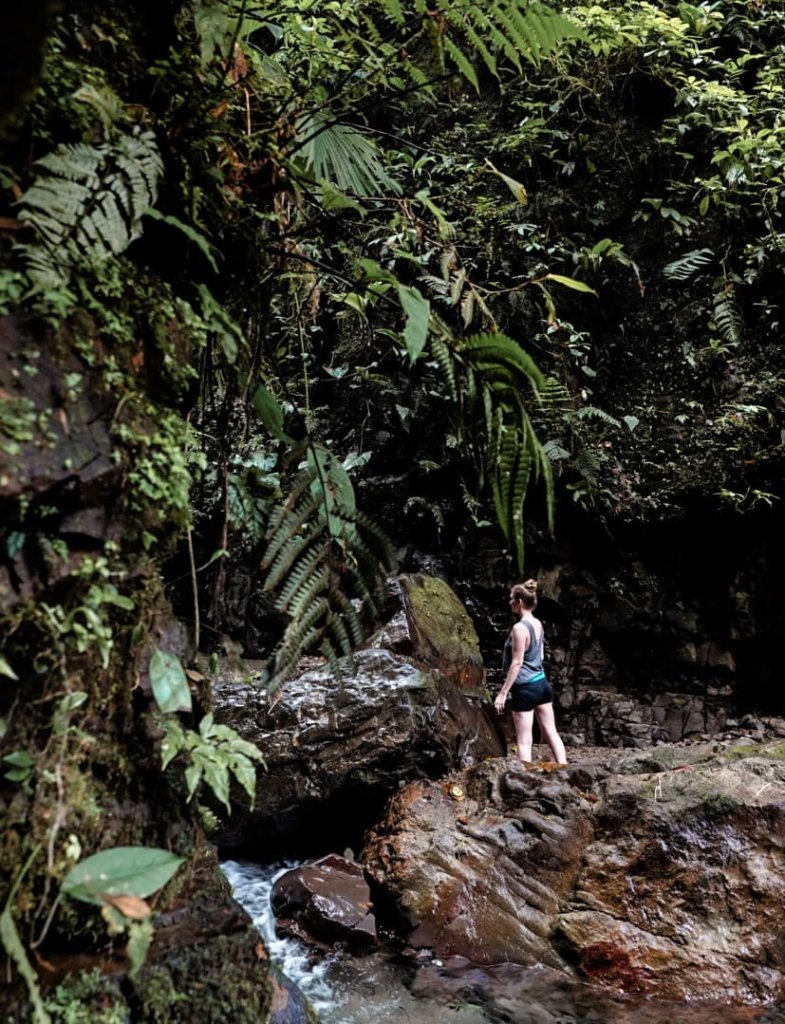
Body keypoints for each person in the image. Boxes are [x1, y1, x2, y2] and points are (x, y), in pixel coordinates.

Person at [494, 579, 567, 765]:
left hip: (525, 688)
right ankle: (565, 770)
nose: (510, 603)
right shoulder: (538, 624)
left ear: (519, 603)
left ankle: (524, 784)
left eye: (512, 600)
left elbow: (517, 663)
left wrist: (503, 693)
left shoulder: (519, 628)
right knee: (551, 731)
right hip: (542, 684)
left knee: (524, 741)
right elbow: (540, 656)